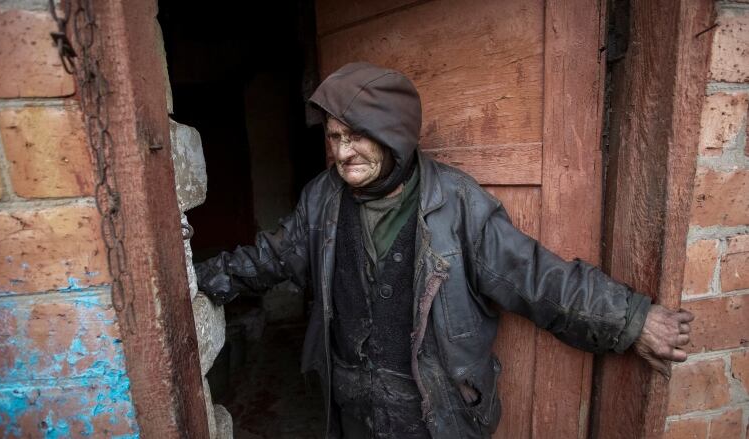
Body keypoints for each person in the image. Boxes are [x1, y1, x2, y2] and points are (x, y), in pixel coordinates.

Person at [195, 62, 694, 439]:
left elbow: (535, 276)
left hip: (431, 414)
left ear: (394, 136)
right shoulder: (322, 198)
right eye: (334, 137)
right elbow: (273, 256)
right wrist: (196, 278)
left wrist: (630, 320)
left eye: (357, 137)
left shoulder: (456, 202)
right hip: (349, 408)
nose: (343, 153)